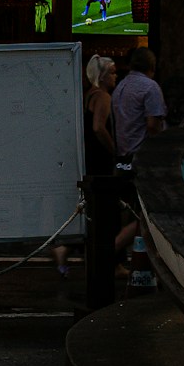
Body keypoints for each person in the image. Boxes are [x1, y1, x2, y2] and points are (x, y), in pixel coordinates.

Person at [54, 54, 117, 279]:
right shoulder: (103, 97)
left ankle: (67, 249)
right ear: (102, 75)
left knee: (88, 208)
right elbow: (99, 128)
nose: (115, 77)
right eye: (112, 72)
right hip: (99, 159)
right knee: (102, 211)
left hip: (86, 157)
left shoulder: (88, 95)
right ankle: (102, 260)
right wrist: (114, 150)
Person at [111, 47, 167, 169]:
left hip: (122, 155)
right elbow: (153, 126)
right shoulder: (150, 87)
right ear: (152, 66)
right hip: (143, 156)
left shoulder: (121, 86)